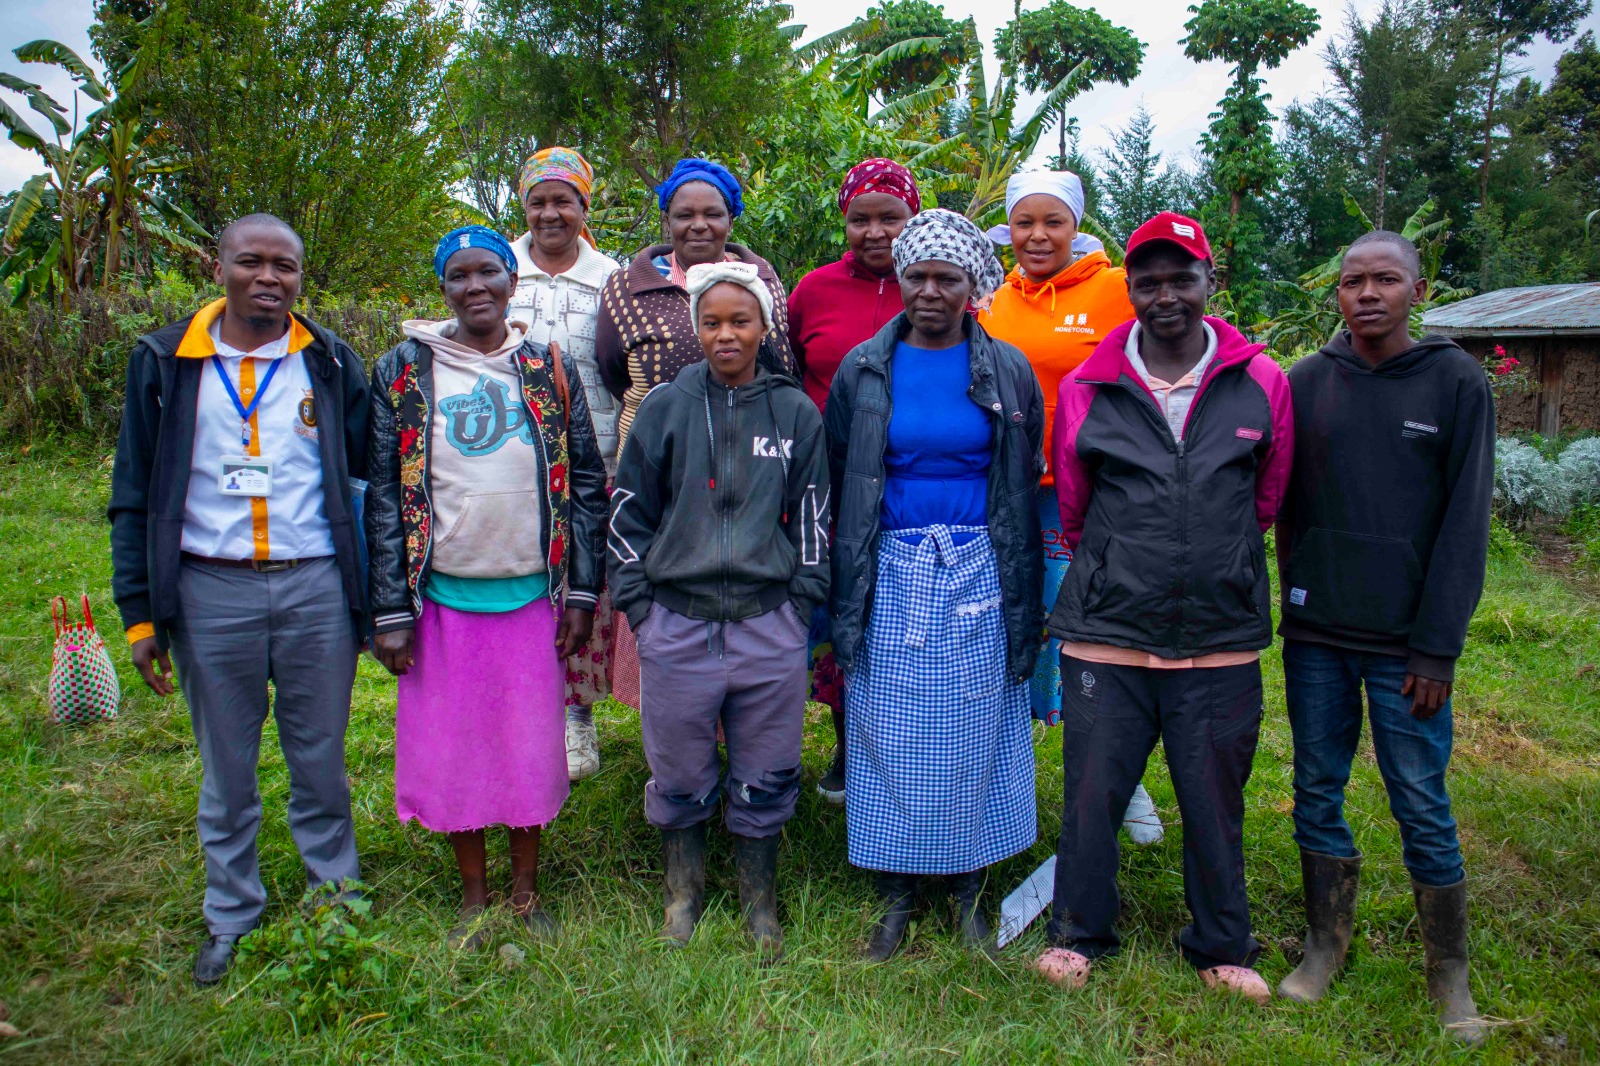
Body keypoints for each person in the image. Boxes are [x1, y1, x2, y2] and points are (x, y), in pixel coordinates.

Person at [1033, 213, 1292, 1004]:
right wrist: (1123, 566)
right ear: (1131, 290)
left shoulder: (1263, 381)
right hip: (1108, 634)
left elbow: (1265, 498)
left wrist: (1214, 562)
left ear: (1211, 283)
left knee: (1214, 794)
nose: (1165, 294)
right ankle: (1080, 931)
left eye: (1183, 277)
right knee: (1091, 792)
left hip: (1217, 635)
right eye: (1148, 281)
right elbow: (1073, 508)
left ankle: (1221, 943)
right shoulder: (1087, 387)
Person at [108, 214, 370, 985]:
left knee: (320, 757)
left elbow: (365, 482)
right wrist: (140, 612)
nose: (268, 278)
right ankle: (232, 913)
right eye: (250, 262)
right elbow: (133, 494)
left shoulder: (329, 363)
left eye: (283, 266)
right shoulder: (164, 361)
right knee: (228, 770)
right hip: (208, 585)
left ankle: (335, 899)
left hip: (314, 583)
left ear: (300, 275)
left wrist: (369, 597)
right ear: (216, 265)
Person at [1274, 230, 1494, 1043]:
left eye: (1385, 281)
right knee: (1317, 787)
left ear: (1417, 288)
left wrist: (1437, 647)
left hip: (1408, 647)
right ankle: (1324, 945)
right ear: (1336, 293)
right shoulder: (1307, 382)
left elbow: (1464, 525)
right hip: (1318, 635)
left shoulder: (1456, 383)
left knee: (1420, 799)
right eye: (1351, 282)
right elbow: (1288, 507)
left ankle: (1450, 975)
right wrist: (1296, 604)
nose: (1366, 295)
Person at [366, 225, 609, 949]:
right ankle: (475, 897)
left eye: (488, 274)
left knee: (528, 749)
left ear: (512, 280)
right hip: (441, 600)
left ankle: (526, 893)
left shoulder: (545, 366)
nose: (475, 288)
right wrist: (389, 611)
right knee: (456, 750)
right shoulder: (405, 372)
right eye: (458, 277)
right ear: (443, 288)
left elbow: (587, 481)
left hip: (533, 597)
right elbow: (383, 492)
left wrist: (580, 593)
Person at [825, 209, 1044, 961]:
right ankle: (896, 895)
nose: (927, 290)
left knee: (975, 727)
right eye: (915, 275)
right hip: (888, 568)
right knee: (888, 726)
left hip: (981, 568)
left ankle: (968, 891)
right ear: (900, 277)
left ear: (972, 285)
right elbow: (839, 473)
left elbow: (1019, 472)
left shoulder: (1007, 368)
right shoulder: (863, 368)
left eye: (945, 278)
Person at [608, 261, 828, 960]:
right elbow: (626, 512)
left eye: (740, 321)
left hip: (771, 621)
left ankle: (759, 901)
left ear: (765, 327)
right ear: (695, 328)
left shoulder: (794, 411)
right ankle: (684, 895)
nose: (725, 335)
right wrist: (641, 605)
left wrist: (802, 602)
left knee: (767, 765)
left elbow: (816, 519)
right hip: (678, 620)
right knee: (678, 766)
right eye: (711, 322)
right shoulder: (667, 407)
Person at [977, 171, 1162, 845]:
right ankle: (1006, 778)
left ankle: (1124, 777)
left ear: (1076, 226)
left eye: (1052, 222)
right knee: (1007, 630)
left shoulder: (1114, 290)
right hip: (1006, 495)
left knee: (1087, 632)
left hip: (1087, 500)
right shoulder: (994, 300)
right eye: (1024, 223)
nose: (1037, 236)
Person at [595, 157, 797, 710]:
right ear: (666, 219)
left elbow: (781, 366)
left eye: (713, 213)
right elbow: (613, 368)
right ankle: (674, 729)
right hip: (660, 469)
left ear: (731, 218)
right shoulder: (624, 289)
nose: (699, 225)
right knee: (665, 592)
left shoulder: (765, 282)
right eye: (684, 214)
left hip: (747, 468)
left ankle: (740, 721)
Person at [787, 157, 921, 803]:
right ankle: (847, 746)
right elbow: (786, 375)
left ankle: (905, 750)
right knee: (842, 613)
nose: (875, 232)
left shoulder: (933, 284)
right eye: (860, 219)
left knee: (897, 617)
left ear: (912, 219)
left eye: (890, 218)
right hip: (829, 484)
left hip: (911, 481)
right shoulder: (812, 291)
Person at [506, 146, 623, 784]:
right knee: (527, 587)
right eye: (538, 201)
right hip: (513, 464)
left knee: (586, 589)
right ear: (523, 207)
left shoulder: (611, 277)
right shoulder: (497, 269)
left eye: (563, 201)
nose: (550, 213)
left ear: (584, 206)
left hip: (592, 461)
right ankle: (528, 709)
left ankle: (577, 716)